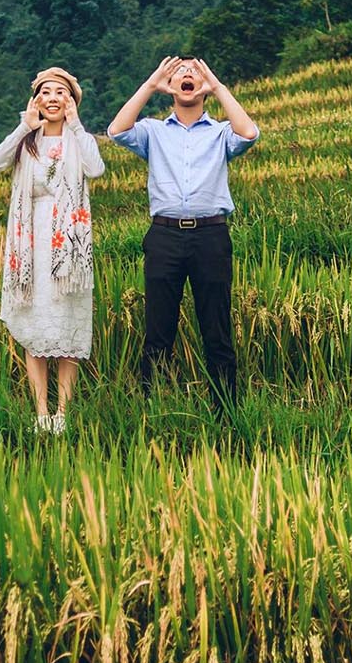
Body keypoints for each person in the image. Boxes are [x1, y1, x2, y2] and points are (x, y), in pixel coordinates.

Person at [107, 56, 259, 412]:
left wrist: (218, 86)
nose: (186, 76)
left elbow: (249, 133)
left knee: (216, 329)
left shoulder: (220, 132)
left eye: (194, 73)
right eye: (178, 74)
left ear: (204, 86)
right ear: (169, 87)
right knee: (158, 330)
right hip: (164, 237)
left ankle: (226, 411)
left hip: (211, 237)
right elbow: (117, 130)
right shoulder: (153, 131)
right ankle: (152, 408)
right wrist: (150, 84)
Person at [0, 66, 104, 432]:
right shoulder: (27, 142)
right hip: (31, 245)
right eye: (46, 92)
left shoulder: (78, 140)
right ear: (36, 99)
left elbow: (95, 169)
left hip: (68, 247)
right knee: (34, 327)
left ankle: (63, 413)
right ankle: (40, 413)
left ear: (71, 100)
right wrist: (25, 125)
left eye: (60, 93)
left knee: (67, 323)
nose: (53, 98)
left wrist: (77, 125)